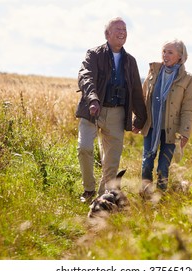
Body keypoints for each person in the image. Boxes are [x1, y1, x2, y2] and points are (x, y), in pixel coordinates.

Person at [76, 17, 147, 202]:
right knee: (84, 147)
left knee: (112, 161)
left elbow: (136, 92)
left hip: (117, 113)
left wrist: (140, 118)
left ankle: (103, 198)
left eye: (124, 29)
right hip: (93, 110)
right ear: (107, 34)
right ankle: (88, 190)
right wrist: (93, 99)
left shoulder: (130, 61)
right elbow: (85, 77)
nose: (122, 32)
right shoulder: (94, 54)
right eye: (117, 29)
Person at [136, 39, 192, 195]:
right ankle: (145, 196)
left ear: (180, 56)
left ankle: (160, 200)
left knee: (163, 168)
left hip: (171, 131)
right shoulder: (154, 71)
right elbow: (143, 97)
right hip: (151, 127)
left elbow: (188, 109)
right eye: (164, 51)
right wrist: (137, 120)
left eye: (170, 52)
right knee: (146, 164)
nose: (165, 55)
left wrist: (185, 132)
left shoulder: (188, 79)